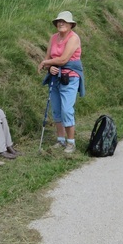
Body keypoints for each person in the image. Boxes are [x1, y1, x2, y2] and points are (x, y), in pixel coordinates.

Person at [37, 11, 85, 153]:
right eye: (59, 21)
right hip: (55, 77)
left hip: (70, 77)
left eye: (64, 21)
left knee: (66, 110)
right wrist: (50, 66)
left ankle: (71, 143)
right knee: (56, 109)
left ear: (71, 24)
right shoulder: (53, 38)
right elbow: (49, 58)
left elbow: (64, 59)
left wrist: (46, 62)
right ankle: (60, 140)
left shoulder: (74, 38)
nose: (61, 23)